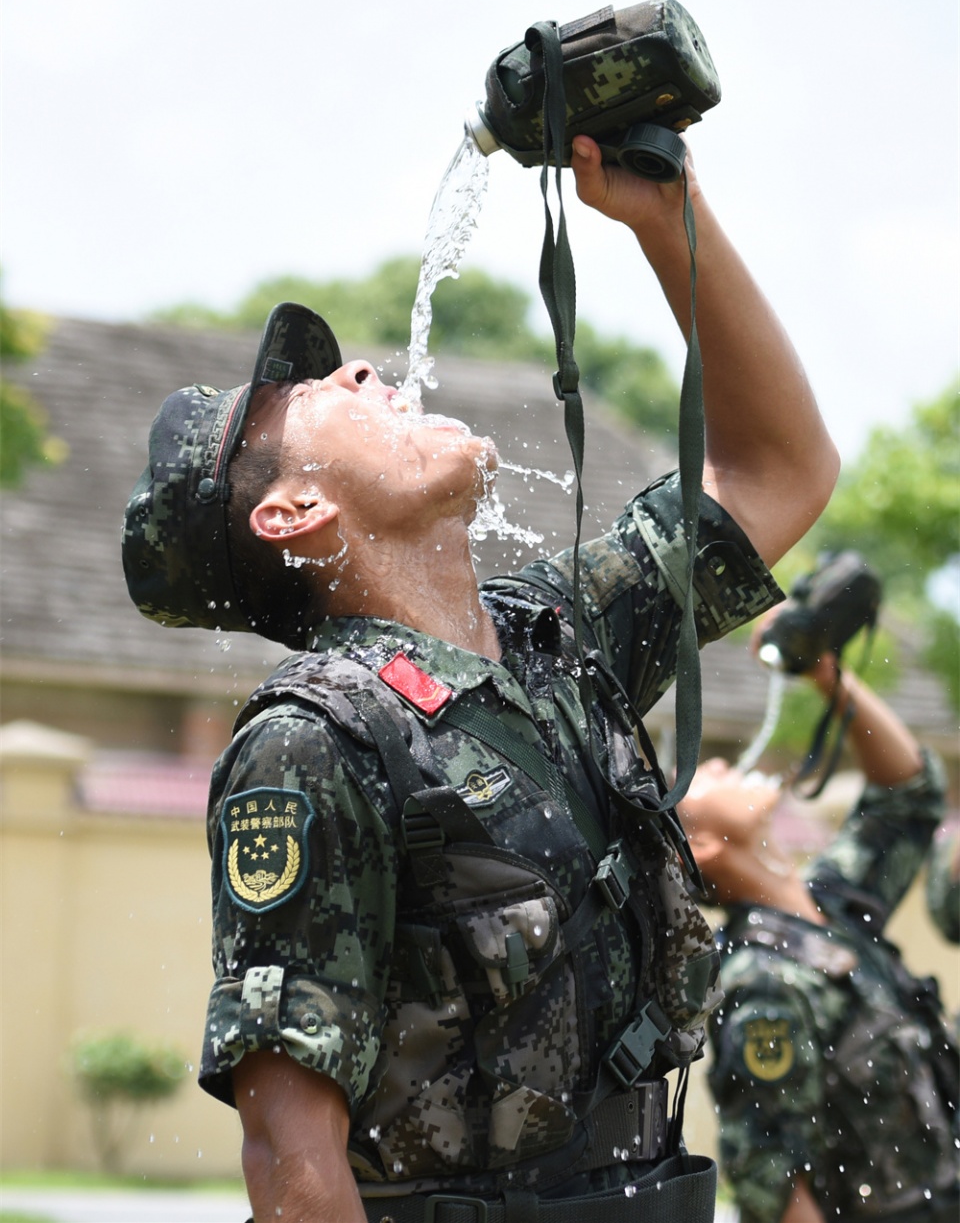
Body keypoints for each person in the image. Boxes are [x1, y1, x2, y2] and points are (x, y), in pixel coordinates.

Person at [122, 136, 839, 1223]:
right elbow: (288, 1144)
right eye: (316, 393)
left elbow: (782, 468)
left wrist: (669, 218)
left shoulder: (562, 634)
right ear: (293, 513)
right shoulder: (318, 739)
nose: (362, 371)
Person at [679, 640, 960, 1223]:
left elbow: (908, 796)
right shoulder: (761, 984)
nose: (716, 763)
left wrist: (829, 677)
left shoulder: (833, 908)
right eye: (699, 776)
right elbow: (781, 1189)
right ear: (701, 847)